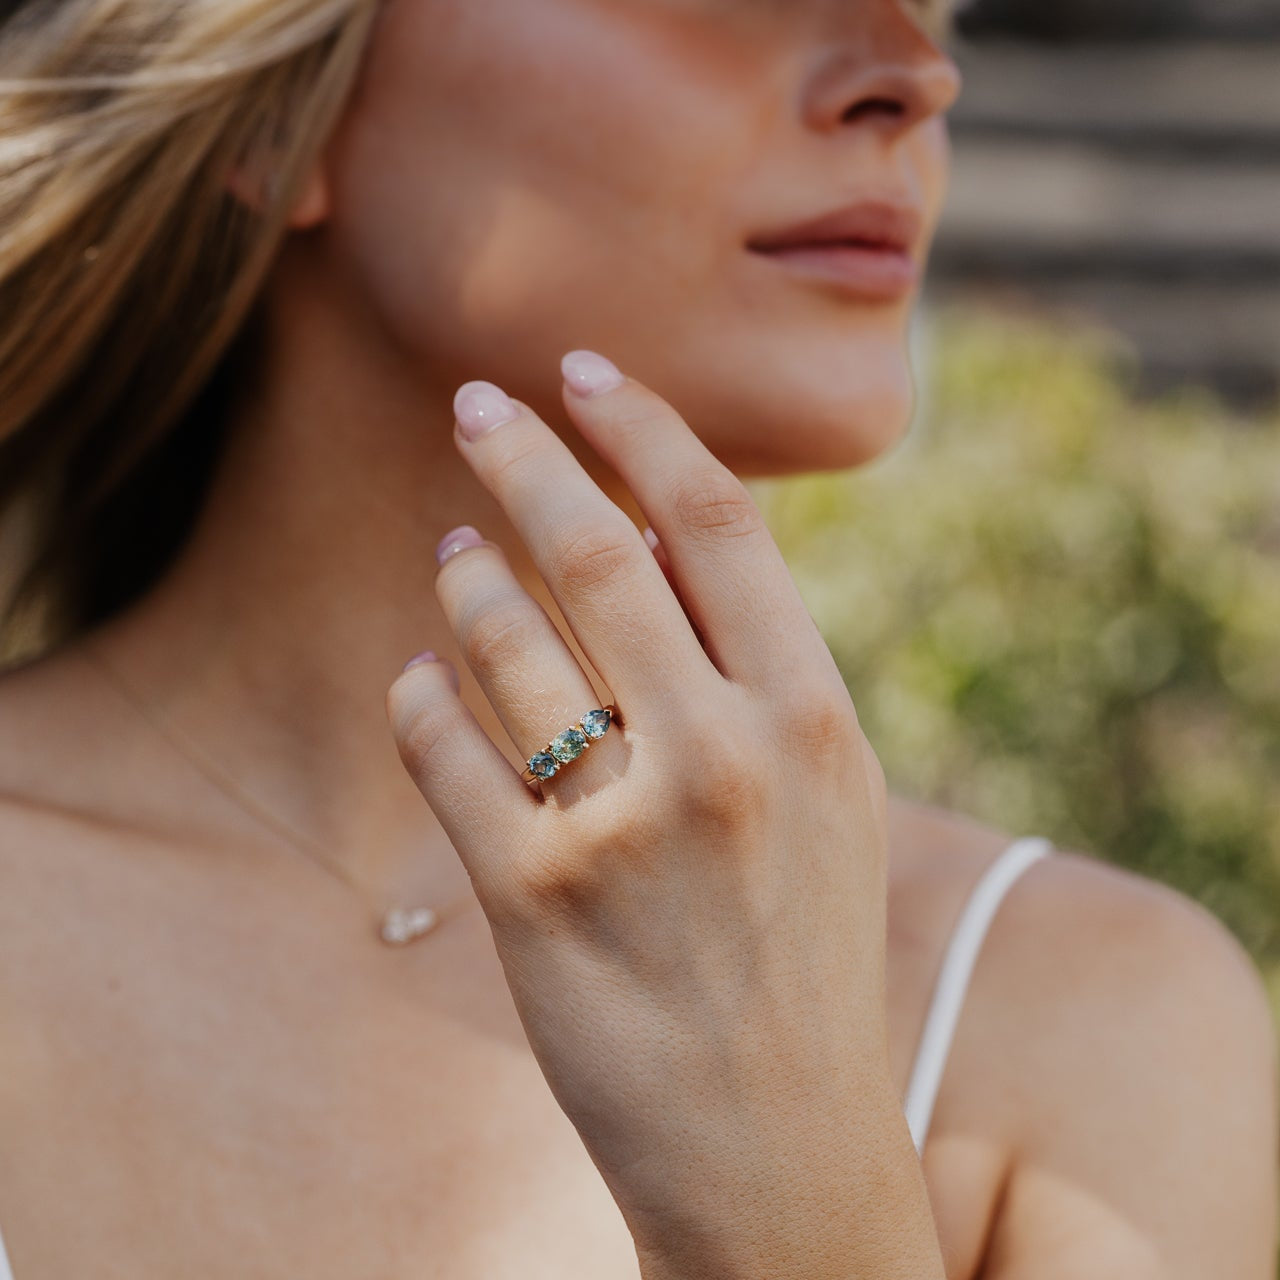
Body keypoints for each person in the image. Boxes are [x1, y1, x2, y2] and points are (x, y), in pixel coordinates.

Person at [0, 0, 1274, 1275]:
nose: (916, 74)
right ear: (279, 118)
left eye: (928, 2)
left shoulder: (1097, 1020)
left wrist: (796, 1185)